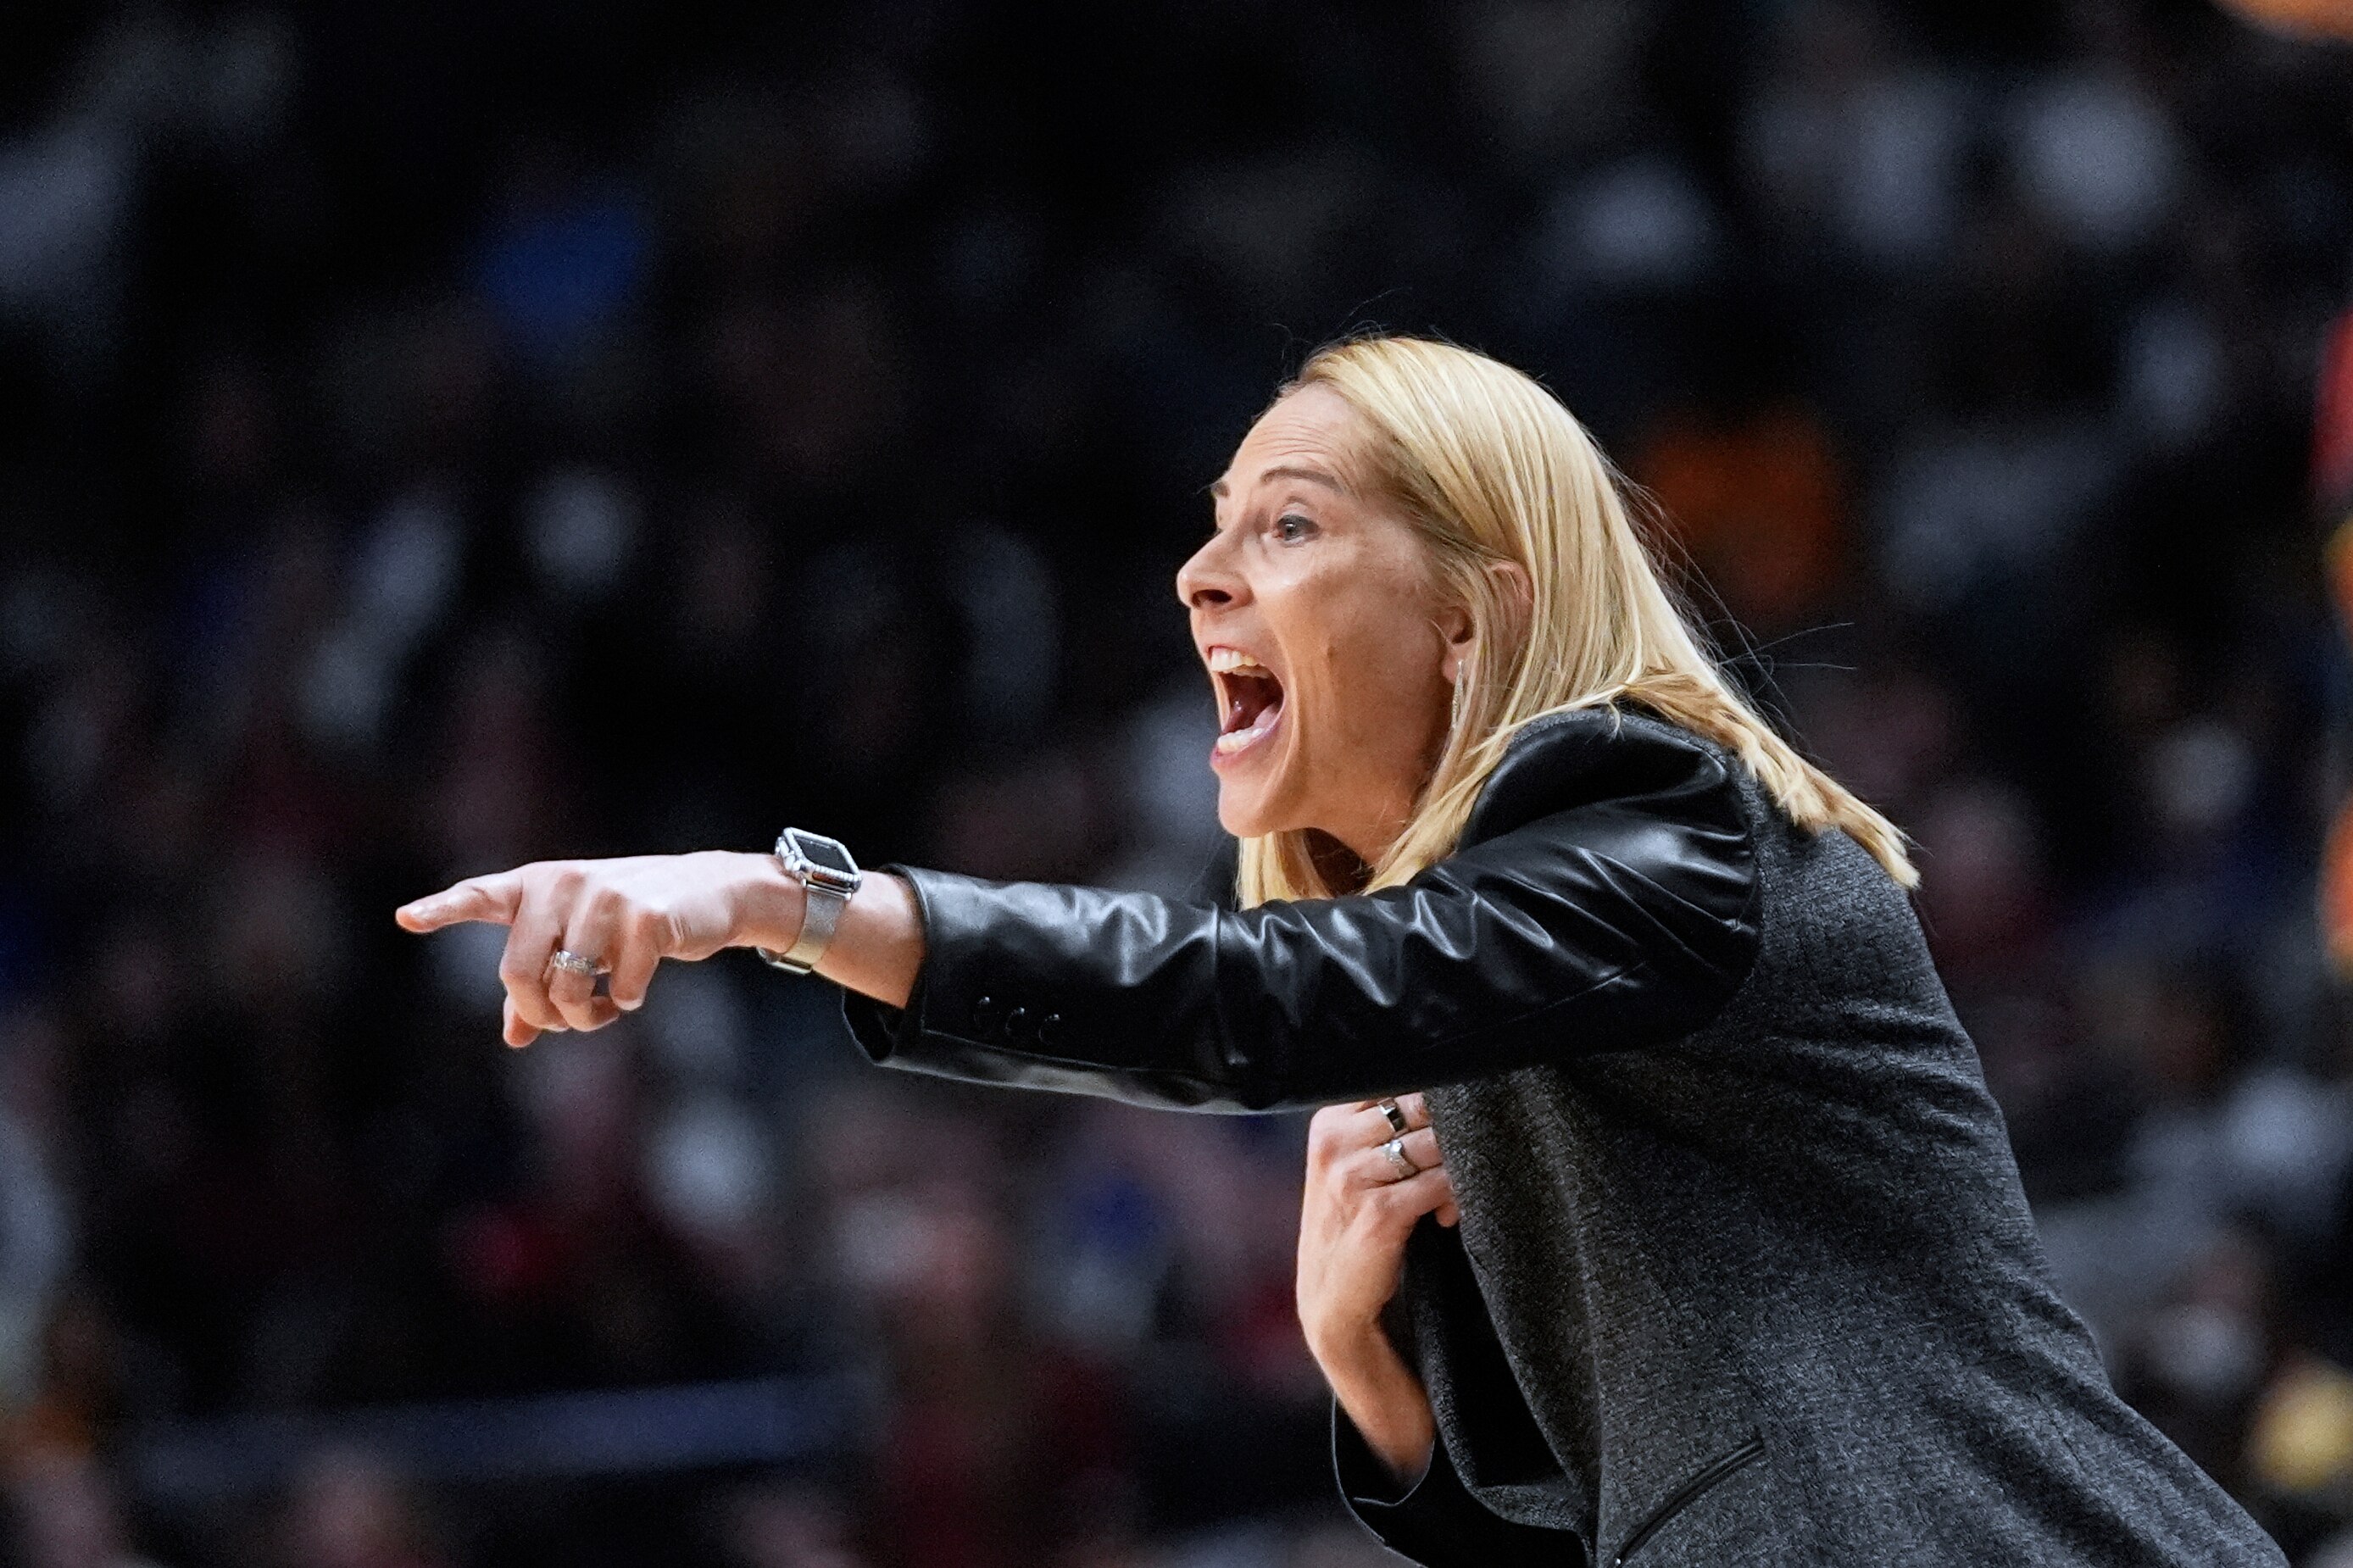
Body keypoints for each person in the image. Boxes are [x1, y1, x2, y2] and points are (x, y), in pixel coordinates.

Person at [398, 337, 2284, 1565]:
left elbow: (1237, 1002)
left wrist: (776, 902)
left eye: (1286, 526)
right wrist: (1369, 1374)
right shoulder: (1498, 992)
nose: (1201, 577)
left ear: (1476, 621)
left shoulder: (1654, 813)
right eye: (1208, 535)